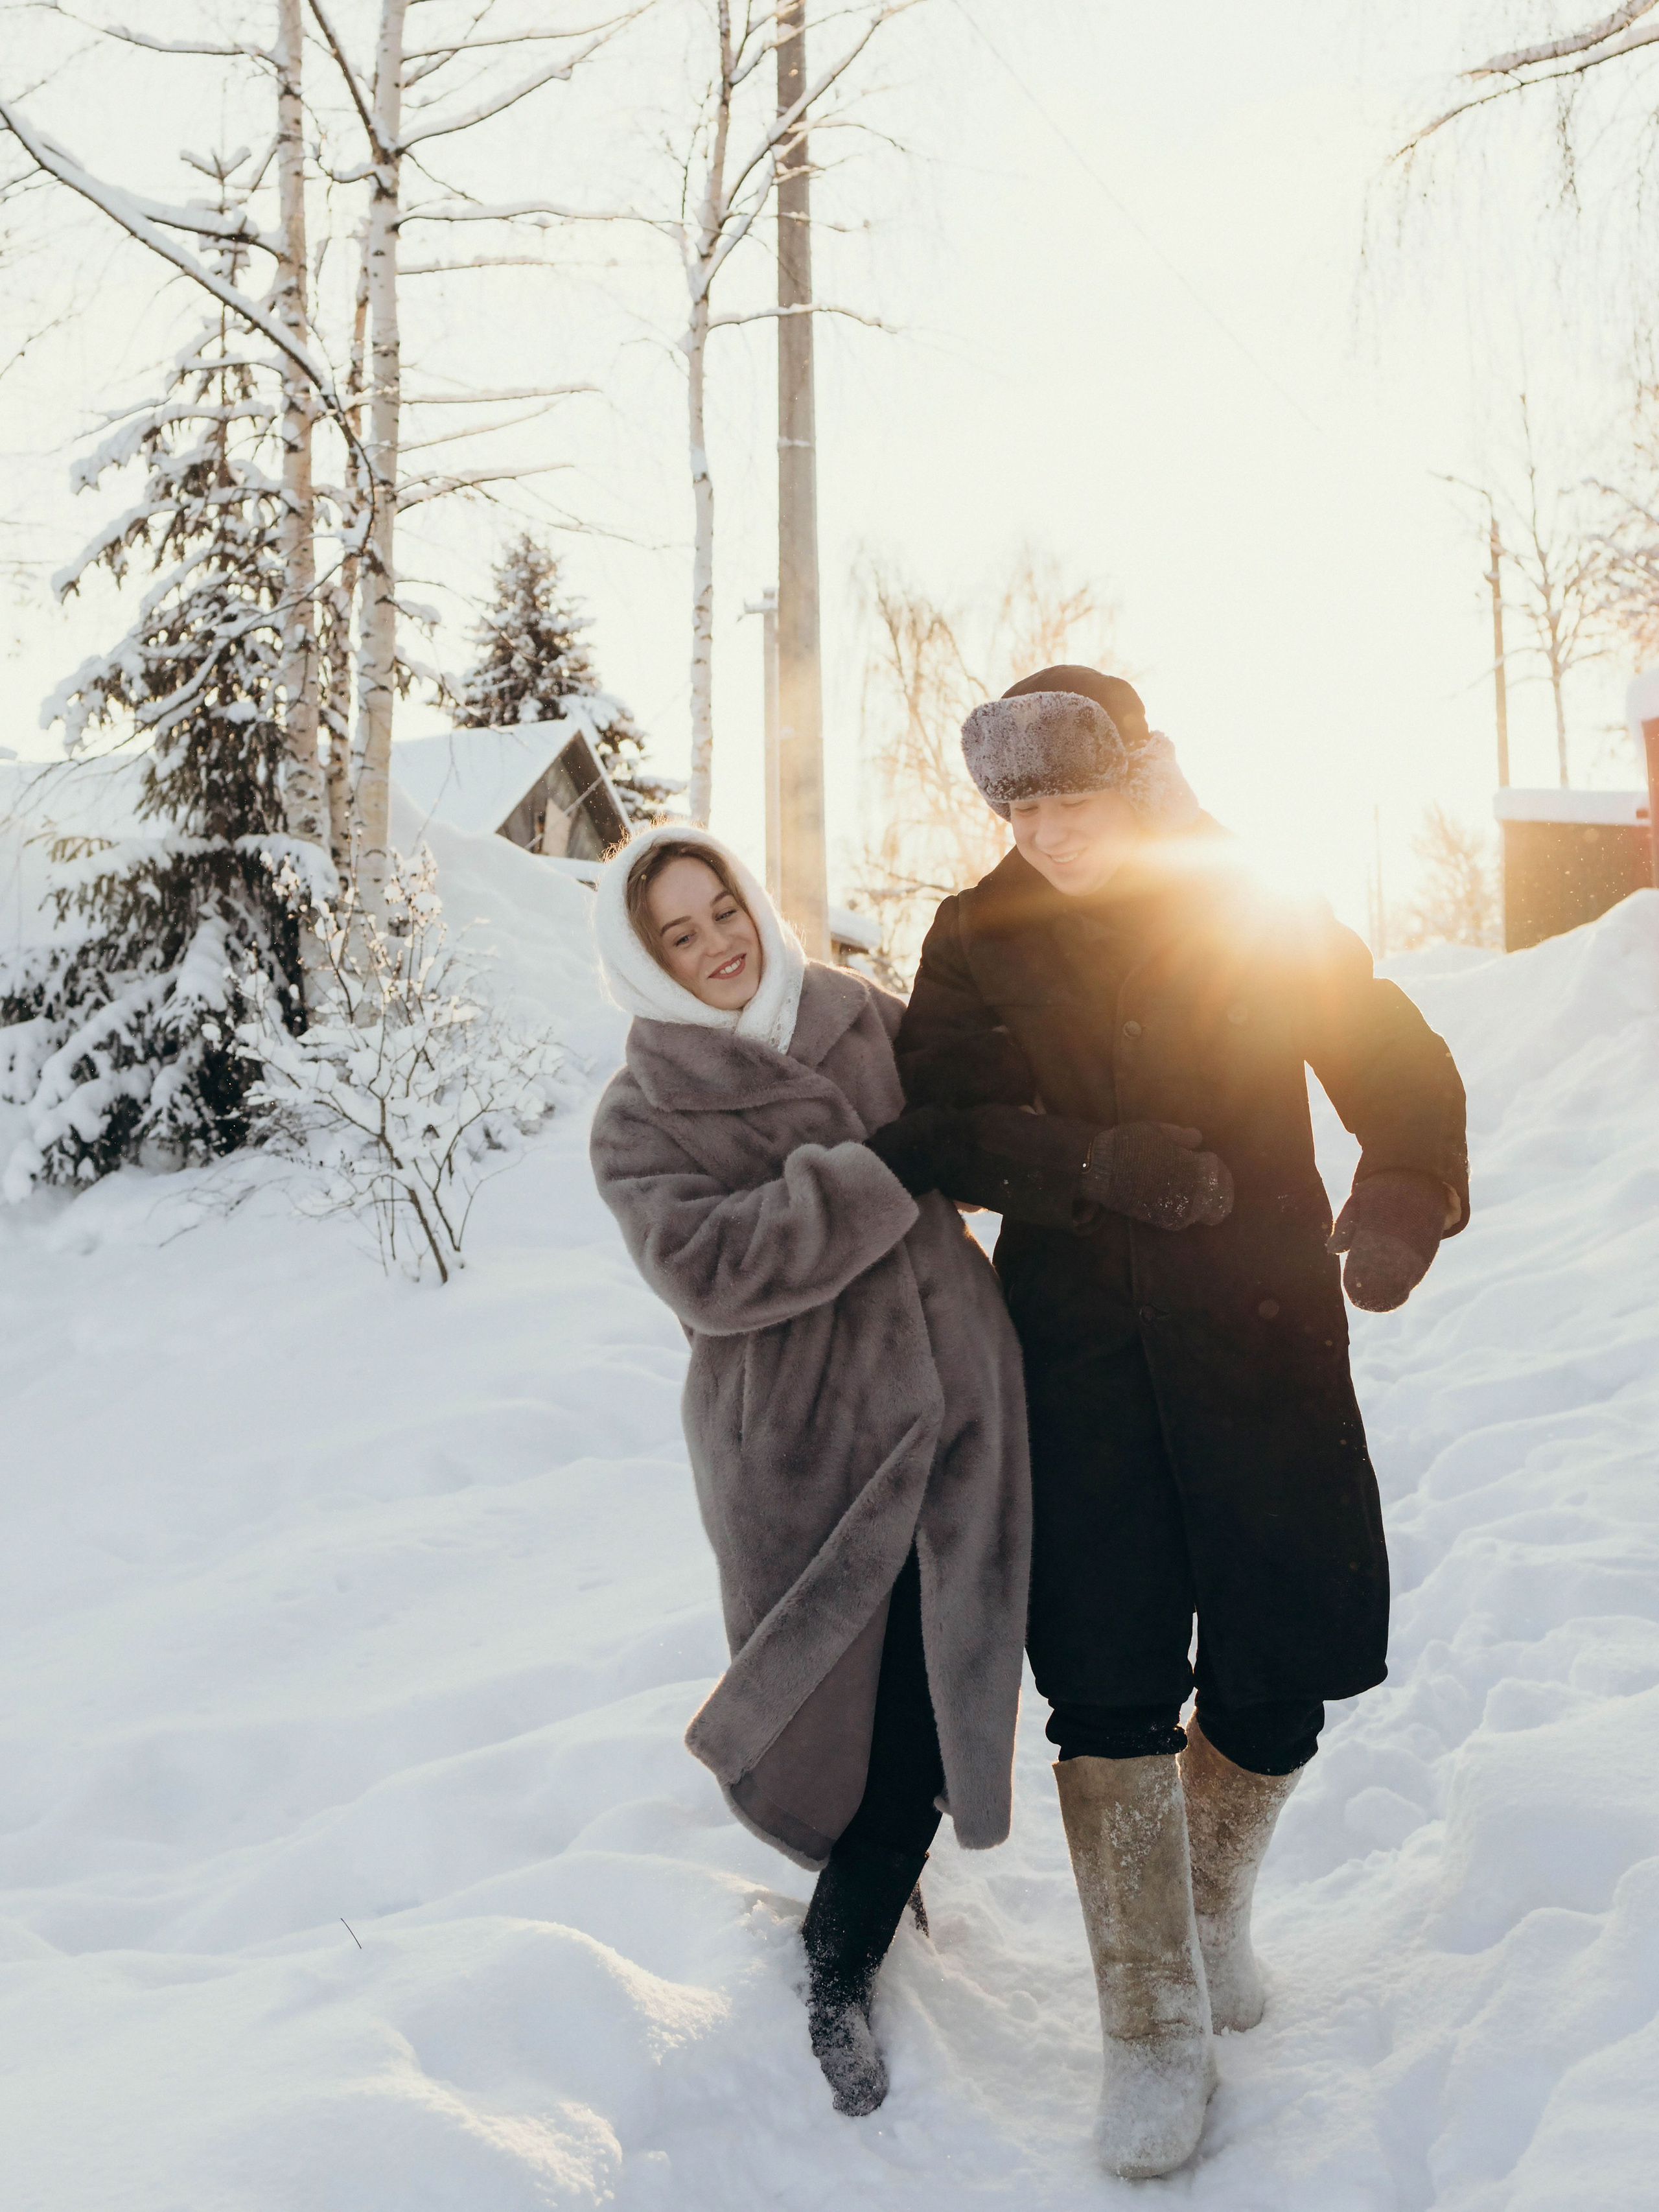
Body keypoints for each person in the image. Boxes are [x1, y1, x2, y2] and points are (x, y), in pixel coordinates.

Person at [874, 667, 1469, 2178]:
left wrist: (1398, 1195)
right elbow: (937, 1120)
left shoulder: (1245, 900)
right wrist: (1087, 1164)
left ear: (1131, 779)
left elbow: (1387, 1053)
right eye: (1016, 807)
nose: (1043, 832)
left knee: (1281, 1670)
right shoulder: (974, 933)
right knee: (1106, 1679)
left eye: (1067, 798)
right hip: (1074, 1359)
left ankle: (1203, 1913)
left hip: (1260, 1340)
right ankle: (1147, 2019)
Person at [587, 823, 1032, 2121]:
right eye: (680, 934)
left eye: (723, 909)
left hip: (958, 1408)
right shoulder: (643, 1111)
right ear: (648, 960)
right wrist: (875, 1175)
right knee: (844, 1703)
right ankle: (838, 1958)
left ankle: (855, 1922)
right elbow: (709, 1271)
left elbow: (980, 1122)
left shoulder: (860, 1016)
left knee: (941, 1683)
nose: (717, 943)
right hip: (801, 1444)